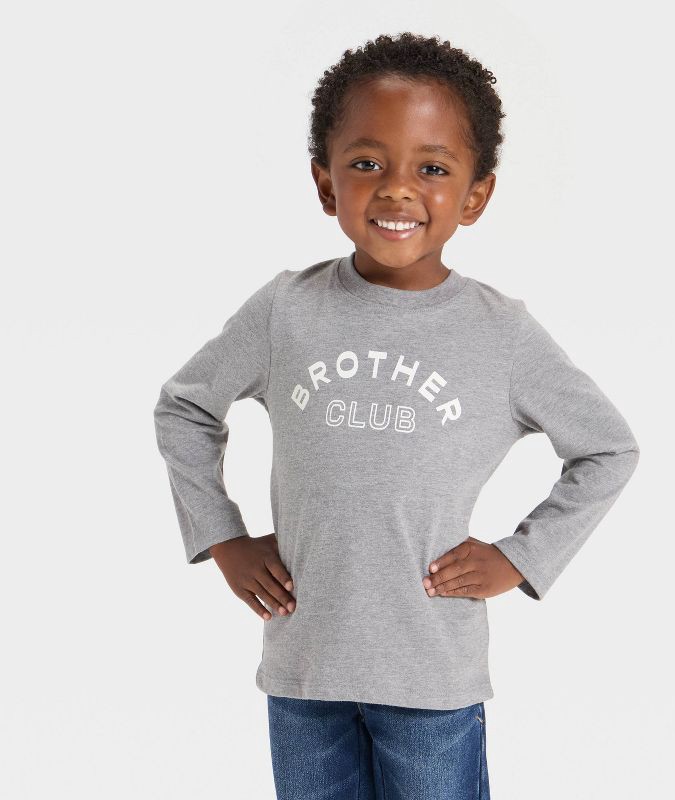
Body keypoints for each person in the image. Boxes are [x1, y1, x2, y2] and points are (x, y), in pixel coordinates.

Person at [153, 31, 640, 800]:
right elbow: (184, 407)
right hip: (303, 671)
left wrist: (522, 557)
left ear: (475, 195)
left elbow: (608, 449)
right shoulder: (286, 310)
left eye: (432, 169)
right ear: (326, 184)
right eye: (367, 164)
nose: (397, 190)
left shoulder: (500, 333)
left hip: (430, 679)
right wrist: (222, 538)